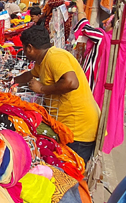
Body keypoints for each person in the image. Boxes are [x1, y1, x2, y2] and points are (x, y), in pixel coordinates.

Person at [14, 25, 100, 163]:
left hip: (78, 129)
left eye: (24, 48)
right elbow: (29, 75)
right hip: (67, 126)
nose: (25, 52)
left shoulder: (55, 57)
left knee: (71, 174)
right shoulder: (43, 60)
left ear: (29, 48)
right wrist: (11, 81)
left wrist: (42, 89)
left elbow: (71, 83)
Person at [73, 0, 126, 154]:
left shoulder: (104, 39)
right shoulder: (121, 48)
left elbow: (85, 28)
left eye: (110, 22)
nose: (106, 23)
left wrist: (80, 8)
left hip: (96, 90)